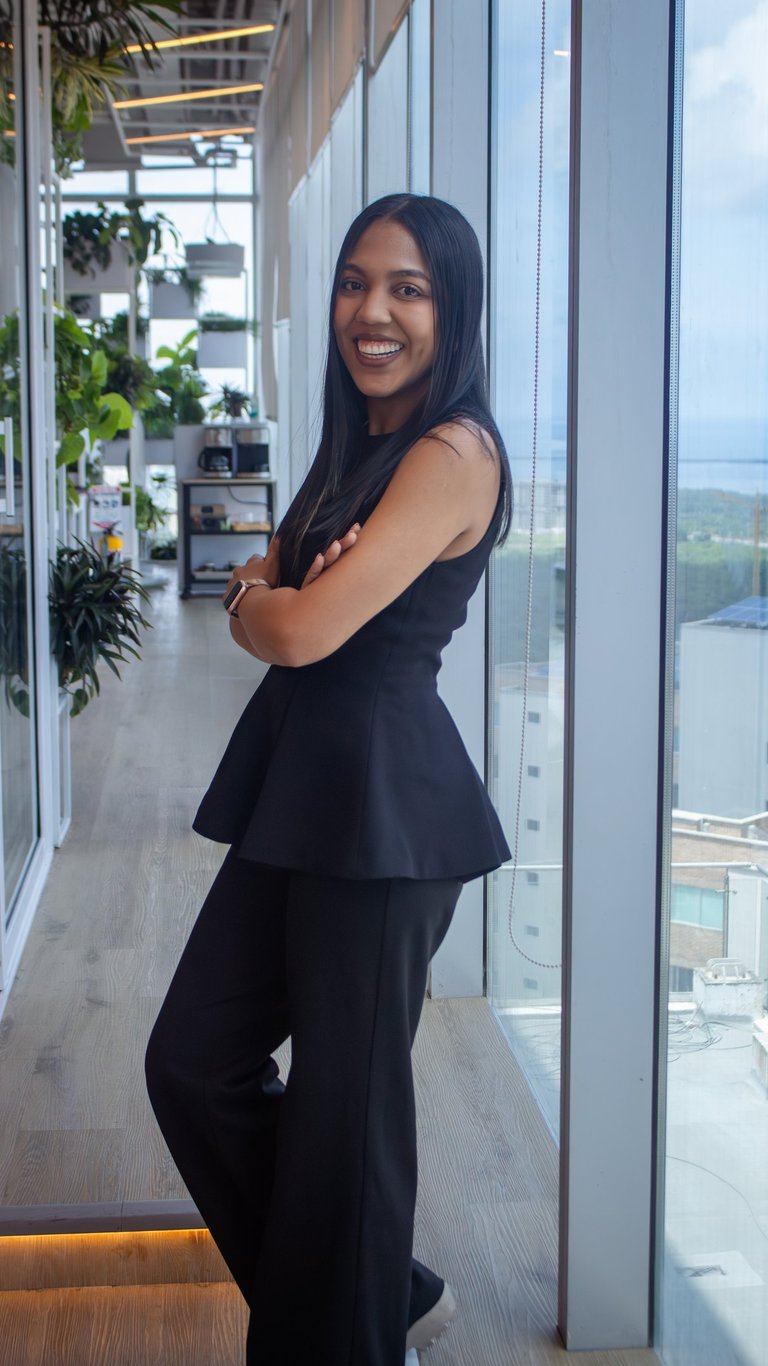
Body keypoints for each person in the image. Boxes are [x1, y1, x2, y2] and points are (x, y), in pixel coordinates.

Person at [145, 193, 512, 1366]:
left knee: (343, 1129)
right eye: (357, 282)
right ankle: (378, 1293)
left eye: (408, 288)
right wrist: (281, 589)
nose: (373, 311)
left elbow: (294, 626)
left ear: (453, 311)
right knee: (192, 1062)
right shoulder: (359, 444)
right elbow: (285, 584)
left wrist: (263, 597)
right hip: (305, 795)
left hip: (386, 814)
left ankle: (348, 1326)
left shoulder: (451, 453)